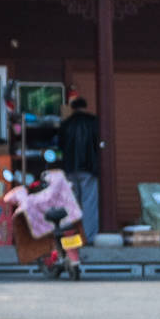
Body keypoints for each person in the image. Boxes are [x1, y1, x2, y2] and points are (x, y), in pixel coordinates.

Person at [59, 97, 103, 239]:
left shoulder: (66, 124)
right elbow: (100, 144)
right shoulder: (94, 122)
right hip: (89, 168)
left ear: (72, 108)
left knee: (72, 205)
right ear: (85, 106)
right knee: (89, 204)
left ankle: (71, 236)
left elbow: (60, 146)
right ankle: (88, 237)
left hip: (70, 169)